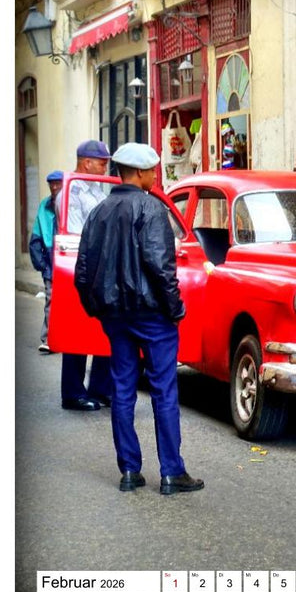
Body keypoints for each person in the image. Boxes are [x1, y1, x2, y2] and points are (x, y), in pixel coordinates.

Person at [74, 142, 204, 495]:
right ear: (141, 173)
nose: (154, 175)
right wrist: (175, 308)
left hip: (116, 315)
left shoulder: (99, 212)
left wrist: (97, 309)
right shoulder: (150, 207)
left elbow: (82, 272)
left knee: (122, 389)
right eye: (152, 170)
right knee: (164, 390)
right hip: (152, 315)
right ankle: (172, 472)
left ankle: (130, 471)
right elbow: (160, 265)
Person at [59, 140, 114, 411]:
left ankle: (101, 387)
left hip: (102, 264)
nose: (105, 166)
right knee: (78, 328)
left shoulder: (97, 191)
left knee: (104, 328)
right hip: (80, 263)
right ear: (85, 162)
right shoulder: (70, 193)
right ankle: (72, 391)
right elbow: (78, 233)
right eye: (101, 161)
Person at [29, 171, 64, 354]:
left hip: (69, 261)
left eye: (58, 183)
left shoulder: (70, 204)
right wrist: (42, 265)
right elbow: (35, 239)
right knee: (51, 301)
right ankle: (48, 339)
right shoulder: (44, 206)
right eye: (51, 184)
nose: (54, 187)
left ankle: (66, 337)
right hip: (51, 263)